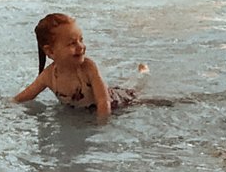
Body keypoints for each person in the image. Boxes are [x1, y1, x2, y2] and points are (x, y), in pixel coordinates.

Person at [13, 14, 142, 118]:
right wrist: (5, 107)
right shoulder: (48, 76)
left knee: (139, 97)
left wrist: (102, 128)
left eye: (81, 40)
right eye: (72, 43)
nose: (81, 47)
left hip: (118, 103)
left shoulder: (88, 68)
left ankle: (142, 74)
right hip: (86, 110)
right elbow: (23, 97)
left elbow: (104, 102)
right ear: (50, 52)